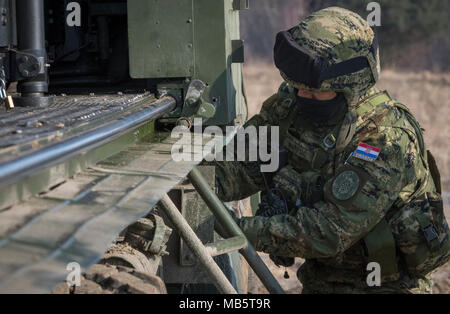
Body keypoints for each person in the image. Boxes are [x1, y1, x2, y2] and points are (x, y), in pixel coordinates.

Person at [211, 7, 449, 293]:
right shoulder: (291, 108)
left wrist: (233, 229)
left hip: (387, 287)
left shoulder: (384, 138)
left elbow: (329, 230)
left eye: (314, 90)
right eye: (298, 87)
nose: (302, 95)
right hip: (321, 281)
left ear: (350, 83)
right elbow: (237, 167)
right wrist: (184, 193)